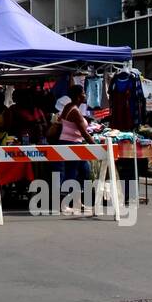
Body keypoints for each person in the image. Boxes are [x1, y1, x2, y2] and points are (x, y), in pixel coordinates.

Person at [56, 86, 95, 214]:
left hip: (71, 143)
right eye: (83, 93)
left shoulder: (69, 107)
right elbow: (84, 133)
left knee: (83, 170)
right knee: (73, 173)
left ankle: (76, 201)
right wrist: (96, 146)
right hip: (71, 144)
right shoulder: (75, 111)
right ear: (78, 96)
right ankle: (66, 203)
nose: (85, 95)